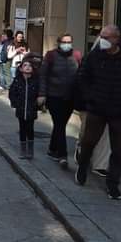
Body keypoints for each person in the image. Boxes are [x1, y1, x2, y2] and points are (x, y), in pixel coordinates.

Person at [75, 25, 121, 200]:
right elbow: (82, 76)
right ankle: (82, 166)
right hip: (97, 108)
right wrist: (91, 96)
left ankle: (113, 184)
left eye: (105, 37)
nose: (101, 39)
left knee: (118, 149)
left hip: (120, 111)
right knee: (89, 142)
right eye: (100, 36)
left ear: (116, 39)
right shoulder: (95, 55)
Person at [39, 33, 82, 168]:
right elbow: (43, 75)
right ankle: (62, 155)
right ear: (59, 43)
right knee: (59, 123)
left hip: (70, 97)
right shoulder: (51, 55)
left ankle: (52, 148)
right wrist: (42, 94)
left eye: (69, 41)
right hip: (54, 96)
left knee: (61, 124)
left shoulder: (77, 55)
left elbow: (81, 74)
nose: (67, 44)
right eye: (64, 42)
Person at [8, 59, 43, 159]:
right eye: (25, 65)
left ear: (32, 69)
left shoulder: (36, 81)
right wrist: (15, 103)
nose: (28, 67)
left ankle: (30, 150)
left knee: (30, 129)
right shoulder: (17, 80)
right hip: (21, 109)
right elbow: (12, 93)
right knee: (22, 129)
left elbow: (39, 94)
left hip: (31, 109)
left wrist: (38, 105)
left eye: (30, 66)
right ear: (21, 68)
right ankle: (23, 150)